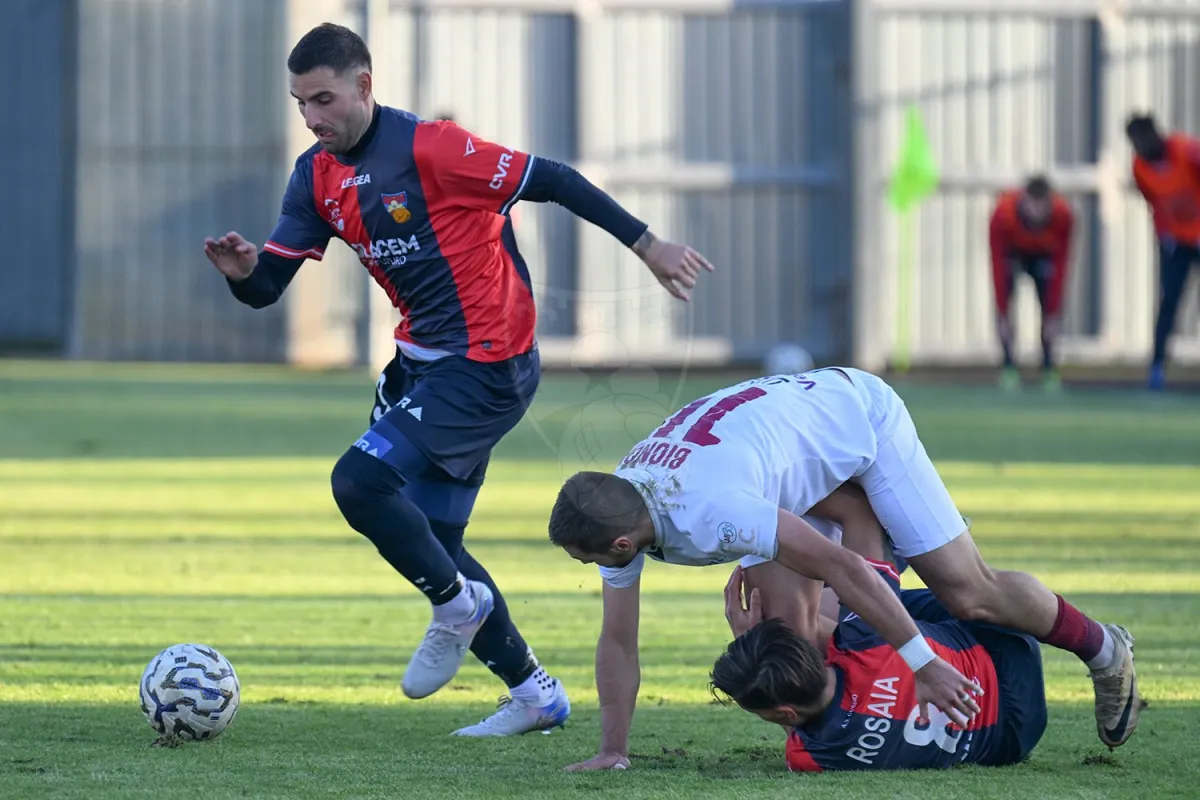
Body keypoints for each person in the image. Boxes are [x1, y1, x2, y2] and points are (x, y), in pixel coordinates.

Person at [203, 22, 714, 736]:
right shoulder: (314, 175)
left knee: (360, 483)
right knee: (434, 536)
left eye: (324, 99)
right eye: (300, 104)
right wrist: (242, 275)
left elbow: (555, 180)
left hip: (488, 366)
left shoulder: (433, 148)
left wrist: (648, 243)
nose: (314, 118)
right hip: (420, 364)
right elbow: (268, 289)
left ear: (364, 86)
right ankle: (533, 692)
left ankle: (455, 605)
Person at [547, 367, 1138, 770]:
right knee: (792, 635)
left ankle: (1104, 651)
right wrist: (612, 749)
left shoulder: (711, 514)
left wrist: (923, 664)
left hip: (860, 421)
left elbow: (839, 566)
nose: (585, 567)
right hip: (782, 451)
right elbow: (618, 640)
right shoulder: (622, 501)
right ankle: (832, 722)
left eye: (586, 558)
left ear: (622, 543)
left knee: (967, 595)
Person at [711, 556, 1048, 772]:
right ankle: (922, 544)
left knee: (823, 615)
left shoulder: (808, 759)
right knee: (860, 603)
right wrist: (757, 638)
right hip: (1001, 652)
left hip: (1009, 743)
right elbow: (859, 542)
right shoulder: (867, 646)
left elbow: (798, 723)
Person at [1126, 112, 1200, 390]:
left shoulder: (1187, 152)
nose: (1142, 147)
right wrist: (1165, 235)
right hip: (1176, 241)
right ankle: (1157, 367)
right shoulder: (1140, 168)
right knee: (1169, 301)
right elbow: (1154, 202)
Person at [988, 175, 1074, 392]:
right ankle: (1008, 365)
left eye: (1041, 209)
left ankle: (1048, 366)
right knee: (1005, 308)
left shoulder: (1063, 216)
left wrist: (1054, 313)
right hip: (1013, 254)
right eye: (1032, 207)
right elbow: (997, 265)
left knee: (1047, 306)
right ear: (1024, 199)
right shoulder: (1002, 215)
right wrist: (1002, 311)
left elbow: (1061, 265)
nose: (1036, 215)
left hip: (1043, 256)